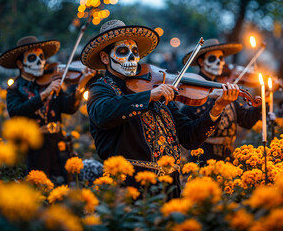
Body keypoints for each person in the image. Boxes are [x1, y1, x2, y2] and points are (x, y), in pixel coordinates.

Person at [81, 20, 240, 198]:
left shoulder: (156, 90)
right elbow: (102, 114)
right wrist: (149, 96)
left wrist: (217, 109)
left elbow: (190, 138)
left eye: (135, 52)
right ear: (105, 58)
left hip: (170, 188)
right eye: (123, 52)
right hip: (131, 191)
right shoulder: (101, 89)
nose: (132, 59)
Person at [0, 36, 91, 184]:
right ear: (20, 64)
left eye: (41, 57)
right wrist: (44, 94)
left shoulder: (50, 80)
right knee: (39, 187)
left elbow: (68, 107)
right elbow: (16, 113)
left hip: (58, 142)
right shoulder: (15, 89)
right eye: (33, 58)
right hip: (35, 146)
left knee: (64, 184)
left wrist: (79, 88)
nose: (40, 62)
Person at [180, 39, 262, 166]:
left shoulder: (223, 88)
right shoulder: (192, 92)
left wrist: (262, 103)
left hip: (227, 159)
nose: (220, 62)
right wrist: (213, 102)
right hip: (203, 161)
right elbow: (186, 131)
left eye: (221, 58)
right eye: (213, 58)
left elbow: (246, 121)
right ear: (201, 62)